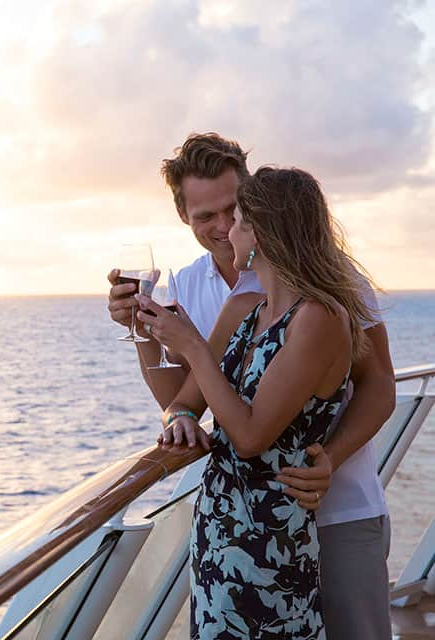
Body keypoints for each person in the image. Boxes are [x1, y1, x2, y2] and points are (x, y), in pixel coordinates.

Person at [107, 134, 395, 639]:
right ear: (183, 216)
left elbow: (379, 385)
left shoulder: (334, 287)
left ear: (256, 211)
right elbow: (189, 398)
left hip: (336, 510)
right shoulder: (205, 291)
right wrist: (145, 336)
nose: (222, 227)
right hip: (230, 525)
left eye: (233, 211)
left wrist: (330, 455)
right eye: (205, 217)